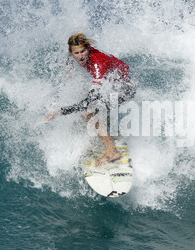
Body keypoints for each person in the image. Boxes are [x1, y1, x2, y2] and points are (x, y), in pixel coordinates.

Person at [45, 33, 136, 166]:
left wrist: (59, 112)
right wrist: (69, 68)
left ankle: (112, 152)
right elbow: (70, 54)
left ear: (88, 49)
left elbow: (88, 102)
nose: (80, 56)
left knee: (90, 111)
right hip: (114, 82)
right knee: (87, 100)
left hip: (126, 88)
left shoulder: (98, 65)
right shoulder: (74, 53)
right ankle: (102, 123)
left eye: (83, 51)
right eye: (76, 53)